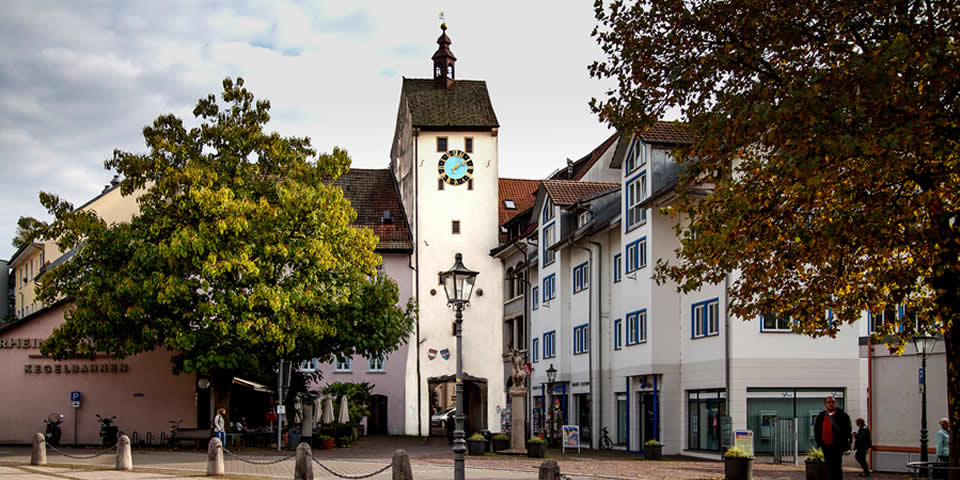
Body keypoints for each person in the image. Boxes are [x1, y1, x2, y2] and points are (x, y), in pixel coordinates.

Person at [814, 396, 853, 480]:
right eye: (829, 402)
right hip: (826, 446)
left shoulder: (843, 415)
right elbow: (817, 430)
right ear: (825, 404)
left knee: (837, 467)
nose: (831, 404)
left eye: (833, 402)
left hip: (837, 446)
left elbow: (847, 430)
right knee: (829, 466)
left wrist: (846, 444)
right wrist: (819, 442)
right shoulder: (821, 416)